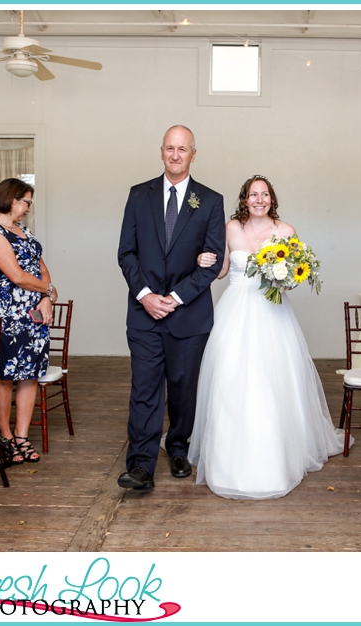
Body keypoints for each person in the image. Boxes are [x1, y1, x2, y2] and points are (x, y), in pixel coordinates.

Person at [187, 175, 344, 499]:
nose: (259, 199)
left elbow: (296, 276)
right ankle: (226, 462)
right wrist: (202, 259)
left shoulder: (286, 231)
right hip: (235, 310)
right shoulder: (231, 228)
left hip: (273, 313)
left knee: (273, 381)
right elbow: (221, 270)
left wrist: (286, 281)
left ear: (272, 199)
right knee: (231, 378)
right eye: (253, 194)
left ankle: (274, 460)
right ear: (244, 199)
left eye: (265, 194)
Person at [116, 125, 225, 491]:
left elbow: (212, 263)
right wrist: (146, 295)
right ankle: (141, 466)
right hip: (143, 314)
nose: (175, 155)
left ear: (194, 154)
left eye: (182, 149)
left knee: (183, 388)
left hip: (189, 315)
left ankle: (178, 447)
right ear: (161, 152)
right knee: (144, 389)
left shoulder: (210, 200)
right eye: (169, 148)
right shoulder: (137, 195)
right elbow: (126, 253)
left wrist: (175, 298)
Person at [0, 178, 53, 464]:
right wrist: (46, 290)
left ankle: (22, 435)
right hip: (7, 315)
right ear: (11, 199)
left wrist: (46, 297)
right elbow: (17, 276)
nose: (28, 208)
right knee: (6, 375)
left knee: (30, 374)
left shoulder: (23, 231)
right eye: (26, 202)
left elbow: (42, 269)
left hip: (34, 314)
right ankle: (6, 437)